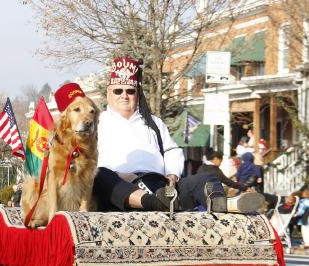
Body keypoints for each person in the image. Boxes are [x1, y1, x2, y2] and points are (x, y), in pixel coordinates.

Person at [93, 57, 264, 213]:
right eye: (118, 91)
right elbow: (83, 160)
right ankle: (155, 204)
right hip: (122, 188)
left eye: (130, 91)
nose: (124, 95)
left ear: (137, 94)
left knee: (206, 178)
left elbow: (172, 151)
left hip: (162, 187)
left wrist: (172, 174)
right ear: (109, 93)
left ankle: (225, 204)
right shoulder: (97, 123)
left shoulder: (153, 122)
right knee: (98, 175)